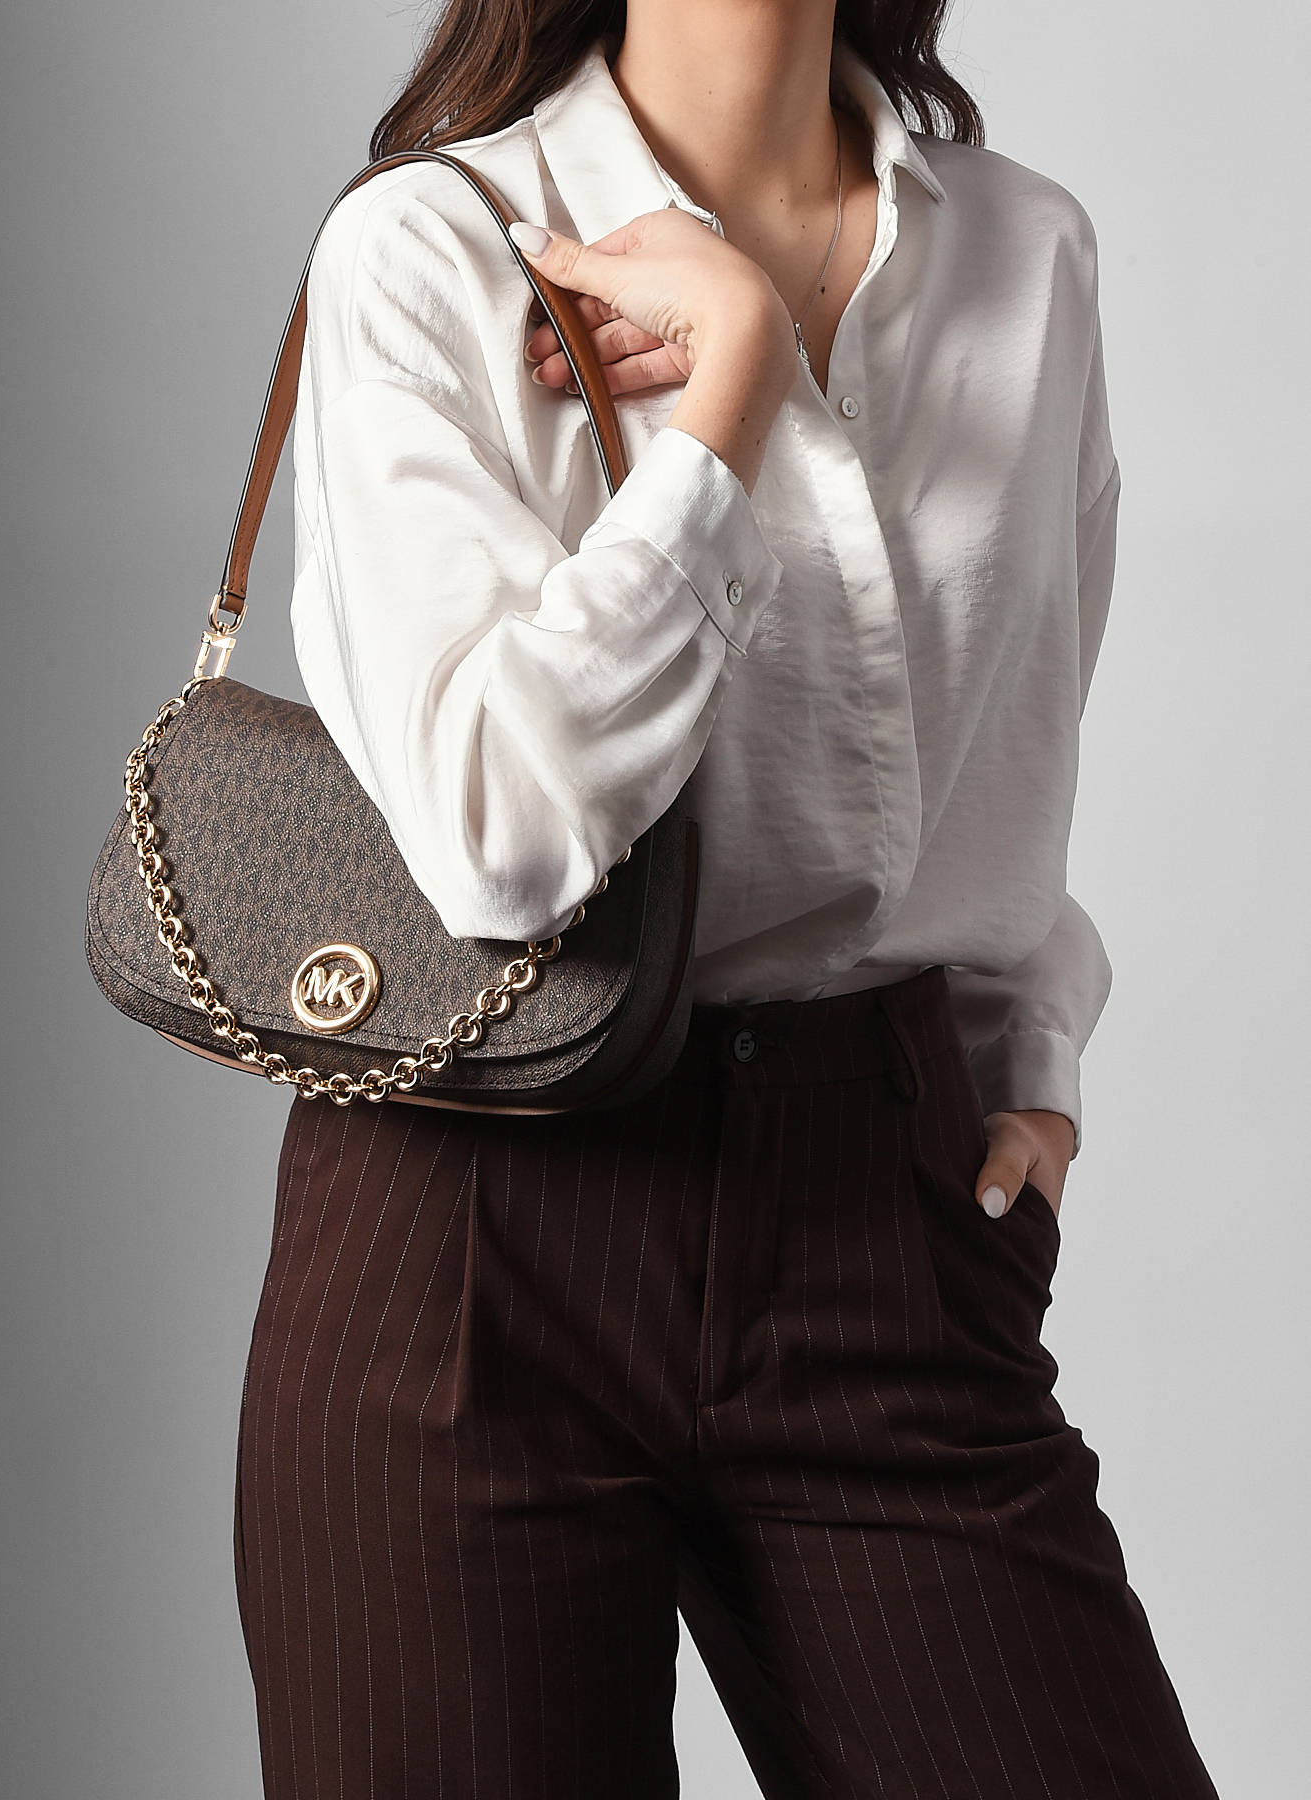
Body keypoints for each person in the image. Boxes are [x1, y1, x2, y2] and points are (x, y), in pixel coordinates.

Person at [231, 3, 1221, 1794]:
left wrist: (1029, 1061)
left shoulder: (1024, 252)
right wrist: (730, 400)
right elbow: (498, 832)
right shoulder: (434, 245)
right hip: (472, 1238)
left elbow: (1019, 730)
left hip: (880, 1219)